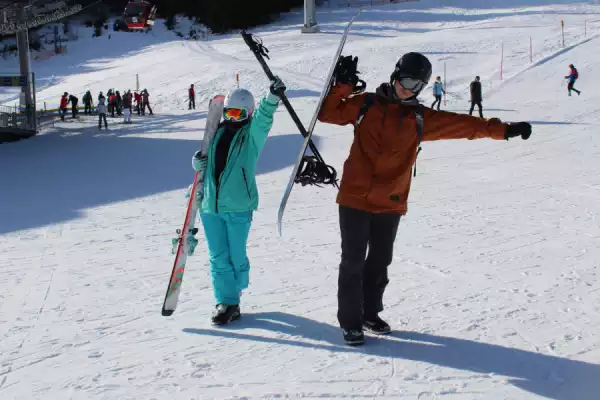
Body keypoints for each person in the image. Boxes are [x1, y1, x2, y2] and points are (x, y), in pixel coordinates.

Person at [317, 53, 532, 346]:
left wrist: (503, 130)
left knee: (380, 261)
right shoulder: (366, 103)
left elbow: (466, 126)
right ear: (395, 76)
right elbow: (328, 113)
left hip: (390, 200)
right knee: (353, 260)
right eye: (406, 81)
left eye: (417, 85)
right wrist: (342, 86)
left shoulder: (420, 118)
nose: (409, 89)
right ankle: (351, 322)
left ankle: (370, 314)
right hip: (355, 197)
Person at [191, 77, 285, 325]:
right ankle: (227, 301)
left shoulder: (251, 136)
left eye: (238, 113)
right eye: (228, 112)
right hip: (211, 206)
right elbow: (209, 162)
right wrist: (198, 162)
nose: (232, 118)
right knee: (218, 256)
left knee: (236, 256)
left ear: (248, 113)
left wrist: (272, 98)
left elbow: (264, 120)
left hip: (238, 206)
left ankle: (237, 289)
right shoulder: (217, 132)